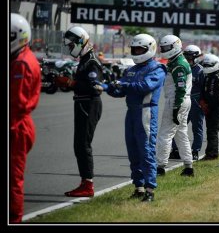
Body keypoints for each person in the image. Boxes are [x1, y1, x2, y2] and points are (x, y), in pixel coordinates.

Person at [101, 34, 166, 202]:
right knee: (133, 151)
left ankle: (150, 190)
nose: (137, 51)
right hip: (131, 112)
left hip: (146, 112)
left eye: (140, 49)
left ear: (149, 49)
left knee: (146, 151)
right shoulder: (130, 70)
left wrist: (125, 85)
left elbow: (146, 86)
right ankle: (139, 187)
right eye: (135, 49)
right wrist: (106, 87)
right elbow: (120, 91)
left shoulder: (157, 69)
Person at [55, 26, 104, 197]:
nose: (69, 49)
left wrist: (70, 83)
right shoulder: (84, 60)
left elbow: (96, 87)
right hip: (83, 104)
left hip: (90, 105)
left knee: (83, 145)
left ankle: (88, 185)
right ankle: (85, 181)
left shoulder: (91, 61)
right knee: (79, 145)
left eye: (70, 45)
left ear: (79, 42)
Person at [10, 13, 41, 223]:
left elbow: (17, 104)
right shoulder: (21, 56)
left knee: (13, 178)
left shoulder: (22, 63)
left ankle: (14, 218)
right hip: (18, 123)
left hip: (16, 125)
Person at [155, 35, 194, 177]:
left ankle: (160, 167)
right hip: (183, 100)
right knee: (181, 133)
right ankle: (188, 166)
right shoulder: (176, 61)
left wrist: (176, 107)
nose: (164, 50)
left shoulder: (178, 64)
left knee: (165, 134)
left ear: (175, 46)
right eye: (163, 48)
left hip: (177, 100)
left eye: (166, 48)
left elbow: (181, 88)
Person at [169, 45, 204, 161]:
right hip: (183, 100)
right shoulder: (182, 67)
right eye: (187, 57)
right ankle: (175, 149)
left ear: (196, 58)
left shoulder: (200, 70)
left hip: (196, 102)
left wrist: (202, 103)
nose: (188, 60)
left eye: (191, 58)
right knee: (177, 126)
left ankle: (195, 151)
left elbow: (205, 89)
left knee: (197, 128)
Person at [199, 54, 219, 160]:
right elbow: (203, 91)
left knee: (212, 131)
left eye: (208, 65)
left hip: (216, 110)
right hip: (207, 108)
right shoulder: (207, 77)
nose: (206, 67)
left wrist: (208, 105)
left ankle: (212, 154)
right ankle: (209, 152)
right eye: (205, 65)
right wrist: (202, 102)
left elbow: (218, 98)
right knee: (209, 130)